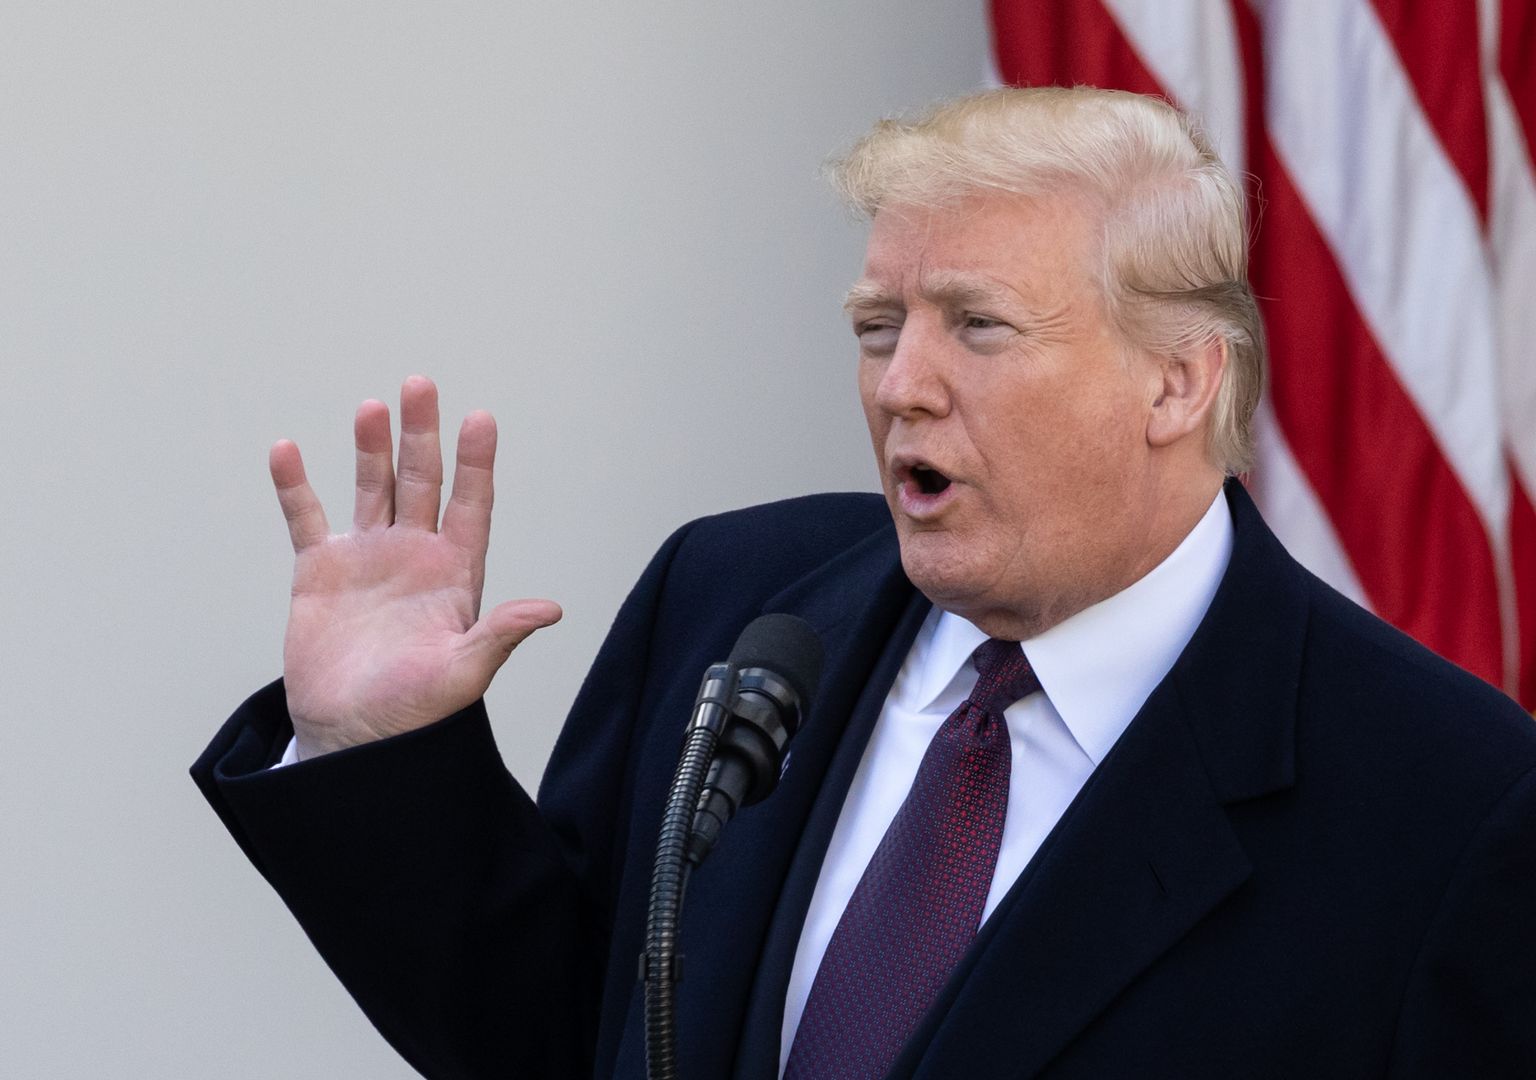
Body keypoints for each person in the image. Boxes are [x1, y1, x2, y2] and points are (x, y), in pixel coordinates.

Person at [192, 87, 1536, 1079]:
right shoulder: (738, 602)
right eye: (878, 328)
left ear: (1177, 380)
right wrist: (380, 755)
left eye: (979, 327)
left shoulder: (1448, 799)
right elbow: (562, 1036)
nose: (901, 387)